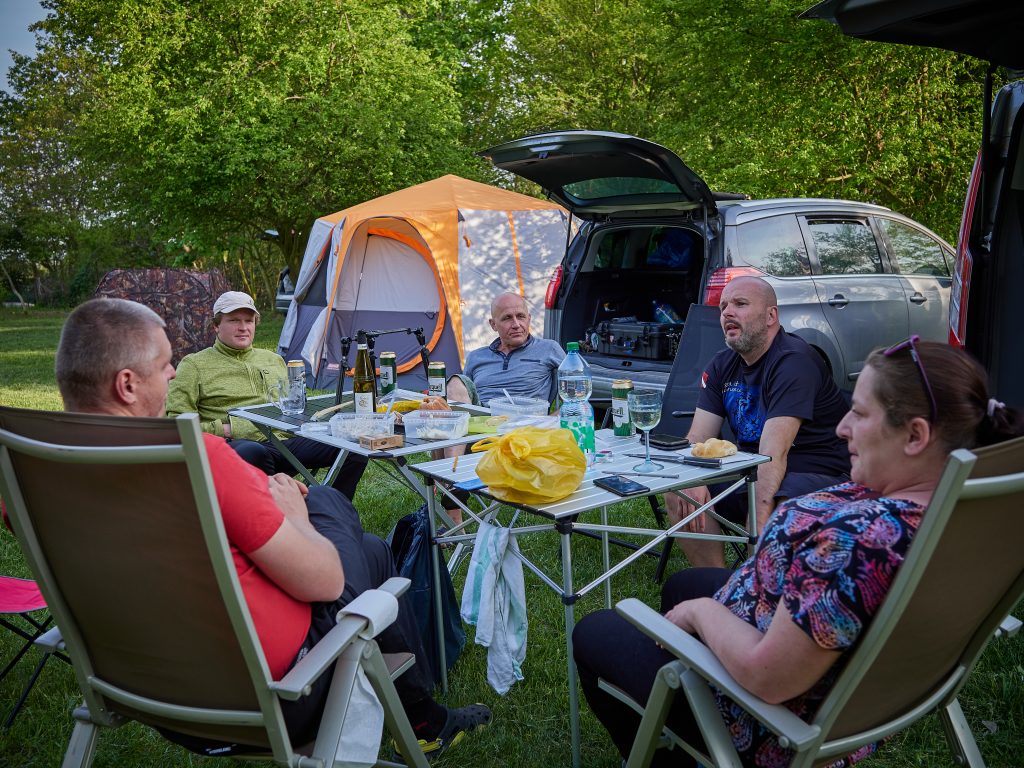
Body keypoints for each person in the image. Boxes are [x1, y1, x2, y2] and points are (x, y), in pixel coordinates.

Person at [54, 298, 491, 759]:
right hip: (274, 696)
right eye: (165, 366)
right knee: (327, 503)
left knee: (370, 550)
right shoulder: (201, 461)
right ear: (126, 384)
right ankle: (424, 719)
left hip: (140, 688)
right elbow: (325, 581)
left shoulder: (32, 472)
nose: (174, 374)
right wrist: (298, 518)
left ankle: (423, 716)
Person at [574, 339, 1023, 767]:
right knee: (681, 583)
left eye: (859, 414)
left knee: (596, 631)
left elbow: (768, 677)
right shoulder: (962, 510)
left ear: (915, 436)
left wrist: (700, 615)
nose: (841, 427)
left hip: (763, 719)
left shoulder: (857, 542)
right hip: (823, 655)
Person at [667, 276, 851, 568]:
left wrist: (758, 511)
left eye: (740, 304)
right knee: (679, 490)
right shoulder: (721, 366)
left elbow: (773, 455)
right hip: (754, 469)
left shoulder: (793, 362)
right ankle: (721, 587)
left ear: (770, 316)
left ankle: (756, 589)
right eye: (724, 306)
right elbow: (697, 440)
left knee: (772, 497)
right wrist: (691, 478)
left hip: (820, 474)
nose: (727, 312)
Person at [164, 291, 367, 500]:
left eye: (248, 320)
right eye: (234, 320)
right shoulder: (194, 365)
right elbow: (177, 425)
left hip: (285, 443)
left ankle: (337, 510)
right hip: (237, 447)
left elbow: (293, 405)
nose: (243, 327)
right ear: (216, 325)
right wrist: (226, 428)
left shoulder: (273, 360)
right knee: (253, 452)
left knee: (353, 444)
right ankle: (276, 517)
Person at [445, 292, 564, 407]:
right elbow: (465, 397)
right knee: (455, 381)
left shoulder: (549, 349)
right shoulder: (476, 357)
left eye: (521, 316)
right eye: (507, 318)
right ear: (493, 325)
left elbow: (580, 391)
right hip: (482, 421)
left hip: (526, 420)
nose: (516, 324)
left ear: (529, 319)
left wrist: (555, 418)